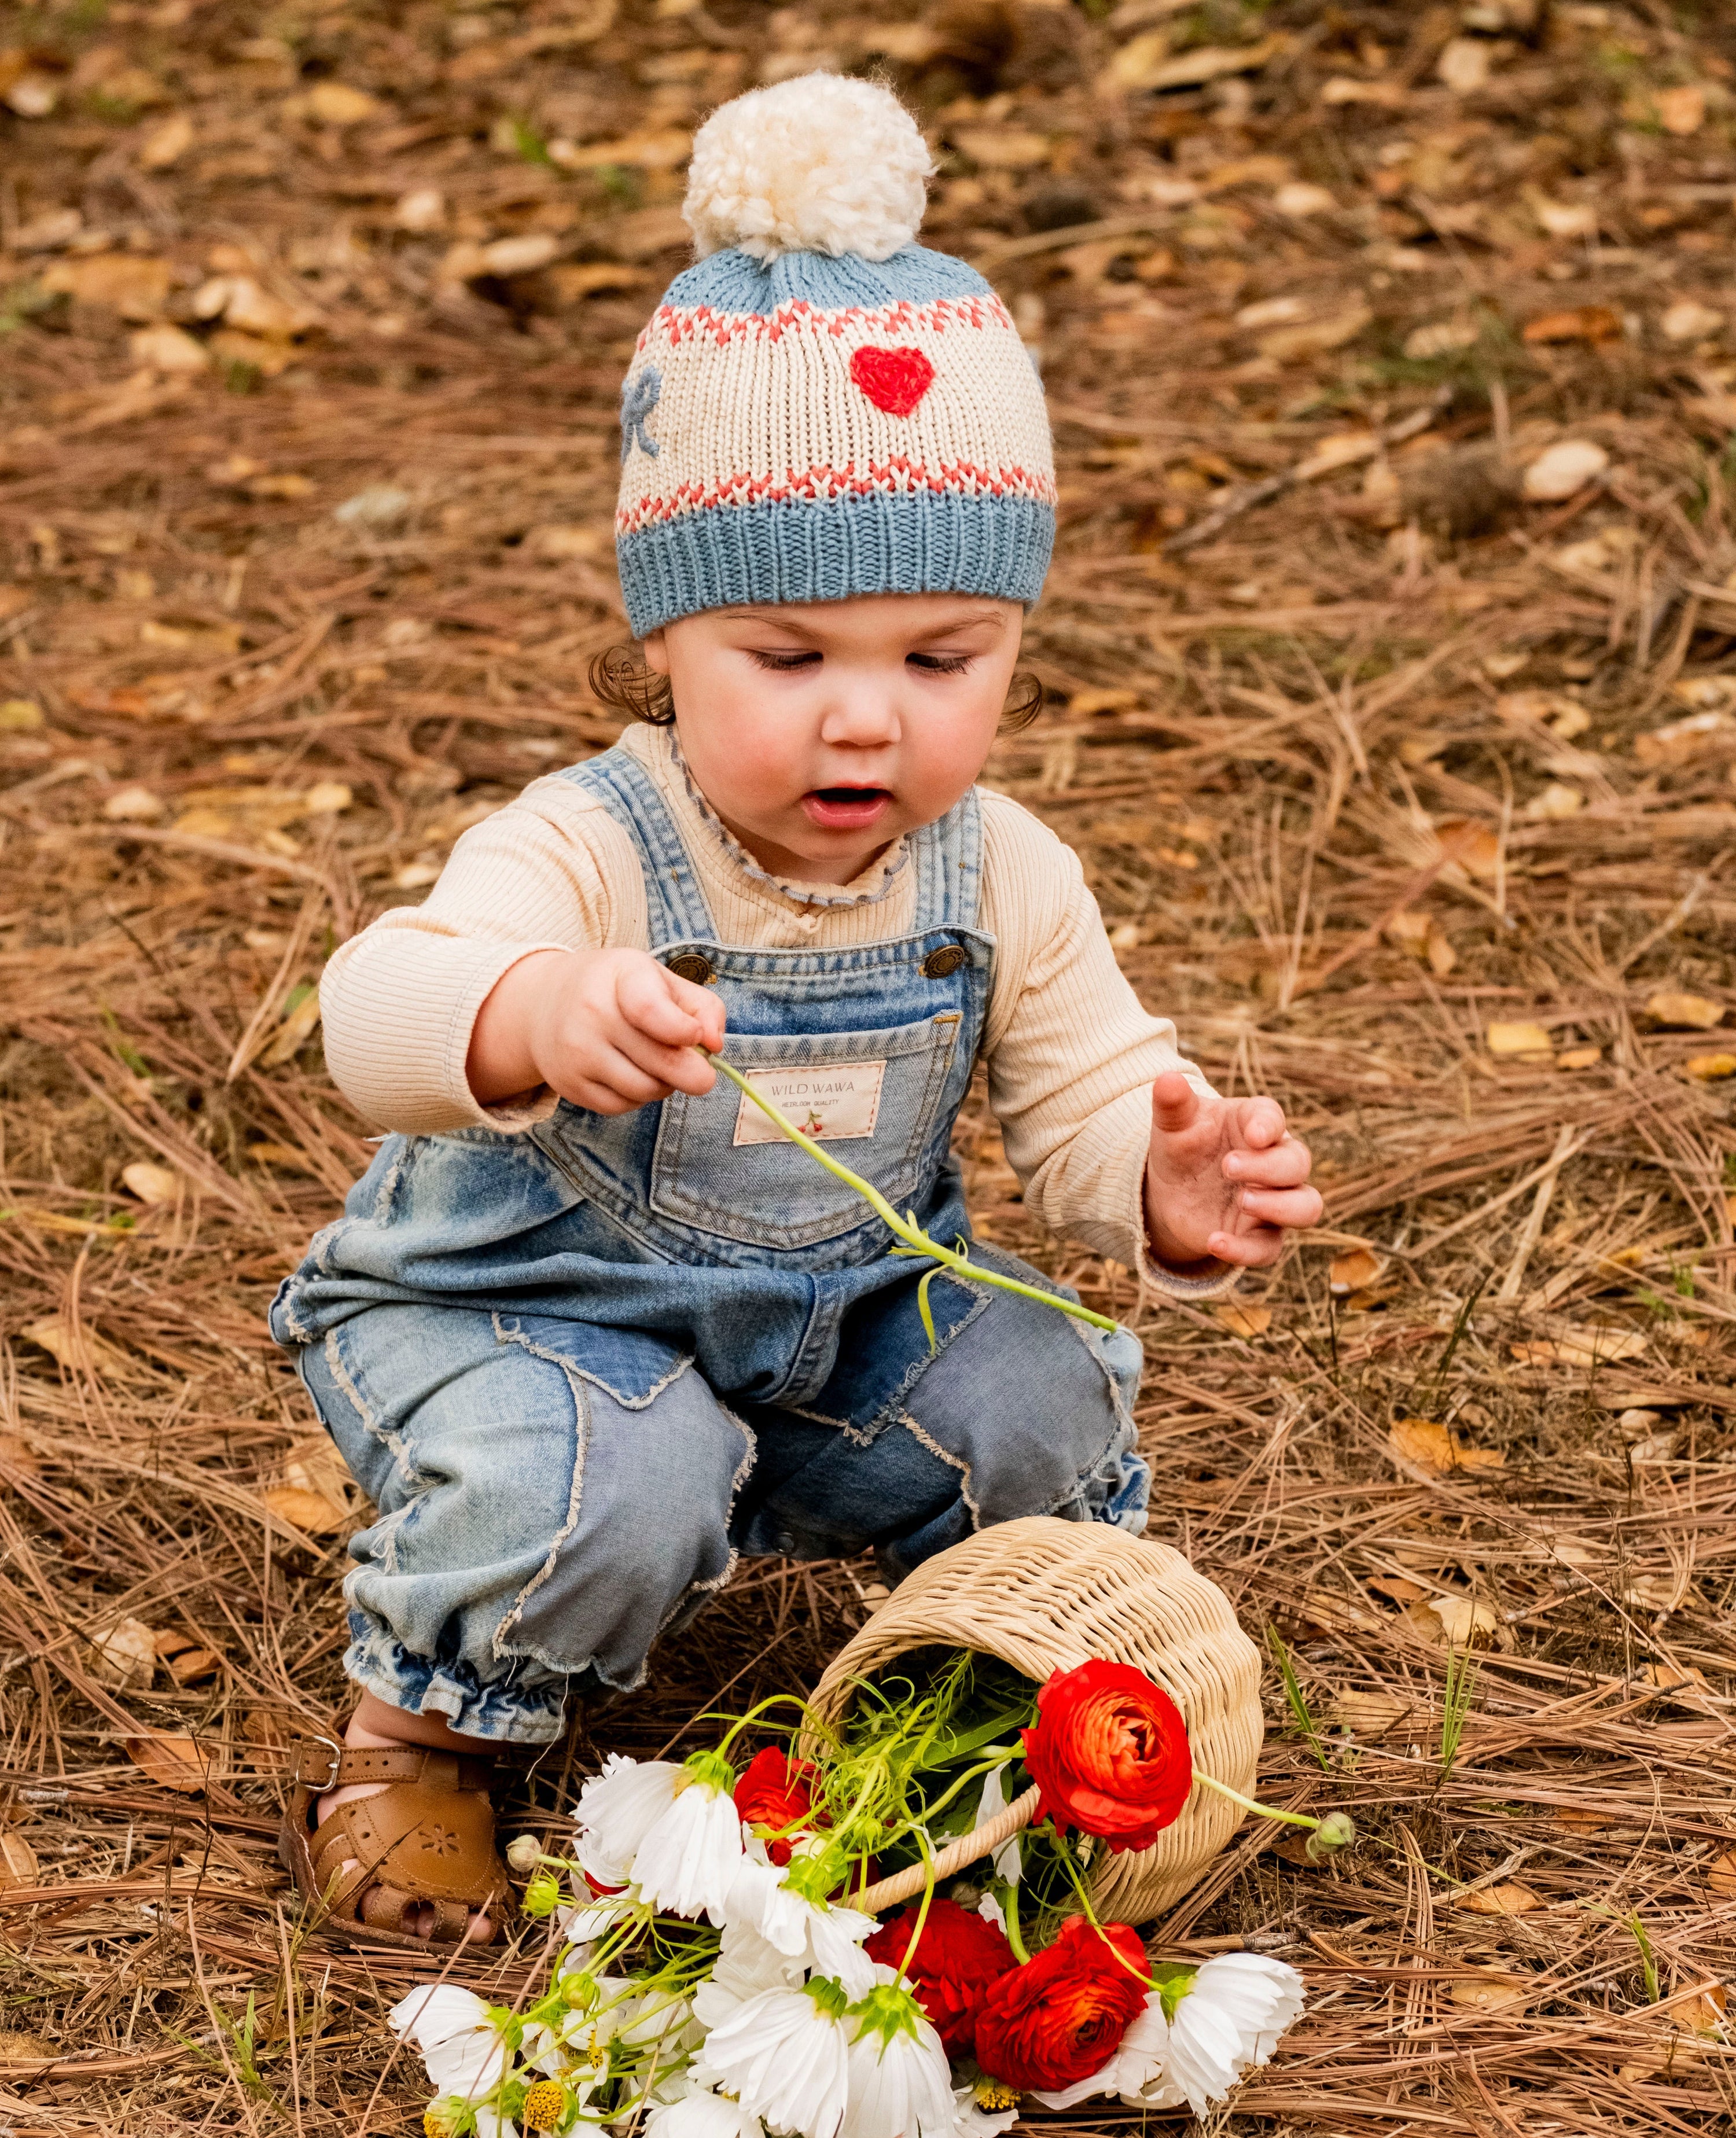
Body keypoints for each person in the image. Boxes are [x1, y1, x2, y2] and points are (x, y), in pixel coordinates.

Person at [270, 73, 1322, 1949]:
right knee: (599, 1471)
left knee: (1037, 1377)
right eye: (788, 657)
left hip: (829, 1342)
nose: (868, 717)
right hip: (527, 1326)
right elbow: (377, 1006)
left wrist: (1163, 1177)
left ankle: (967, 1686)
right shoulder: (590, 847)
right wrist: (528, 1006)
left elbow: (1088, 1076)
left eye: (942, 660)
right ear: (664, 636)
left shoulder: (996, 870)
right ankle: (421, 1736)